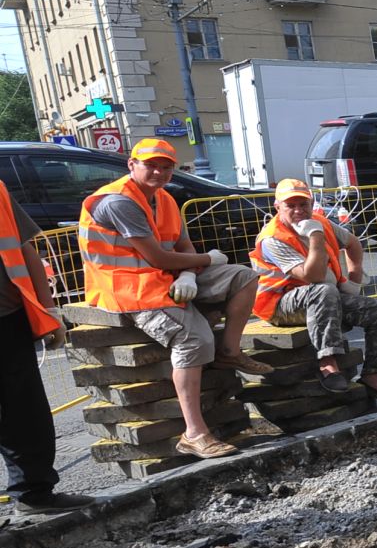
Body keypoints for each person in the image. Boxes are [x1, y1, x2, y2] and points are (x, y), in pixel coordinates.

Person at [78, 138, 274, 460]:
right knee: (194, 339)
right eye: (150, 165)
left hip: (164, 279)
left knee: (243, 276)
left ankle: (229, 352)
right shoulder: (118, 202)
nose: (158, 171)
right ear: (132, 165)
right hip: (126, 288)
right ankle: (194, 434)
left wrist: (189, 273)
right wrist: (204, 262)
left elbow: (183, 246)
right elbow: (157, 257)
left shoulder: (165, 198)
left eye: (166, 166)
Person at [250, 179, 377, 408]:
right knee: (323, 289)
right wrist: (315, 237)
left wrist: (354, 280)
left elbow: (353, 243)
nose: (299, 210)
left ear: (311, 203)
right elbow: (313, 277)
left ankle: (373, 376)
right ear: (277, 206)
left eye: (303, 204)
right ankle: (328, 364)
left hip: (322, 297)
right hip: (280, 305)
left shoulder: (320, 222)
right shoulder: (273, 238)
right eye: (291, 205)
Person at [1, 178, 93, 514]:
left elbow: (25, 249)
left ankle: (34, 493)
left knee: (26, 414)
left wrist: (48, 309)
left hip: (8, 318)